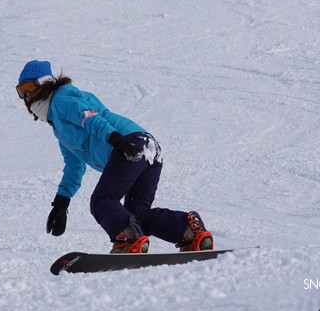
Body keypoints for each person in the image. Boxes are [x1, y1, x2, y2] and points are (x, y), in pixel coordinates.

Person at [16, 60, 214, 254]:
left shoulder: (61, 99)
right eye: (20, 91)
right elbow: (74, 166)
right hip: (149, 148)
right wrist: (61, 203)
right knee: (138, 214)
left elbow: (89, 118)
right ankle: (188, 232)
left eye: (28, 87)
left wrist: (119, 141)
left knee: (102, 201)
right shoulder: (59, 129)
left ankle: (128, 241)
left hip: (130, 144)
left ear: (44, 83)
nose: (26, 96)